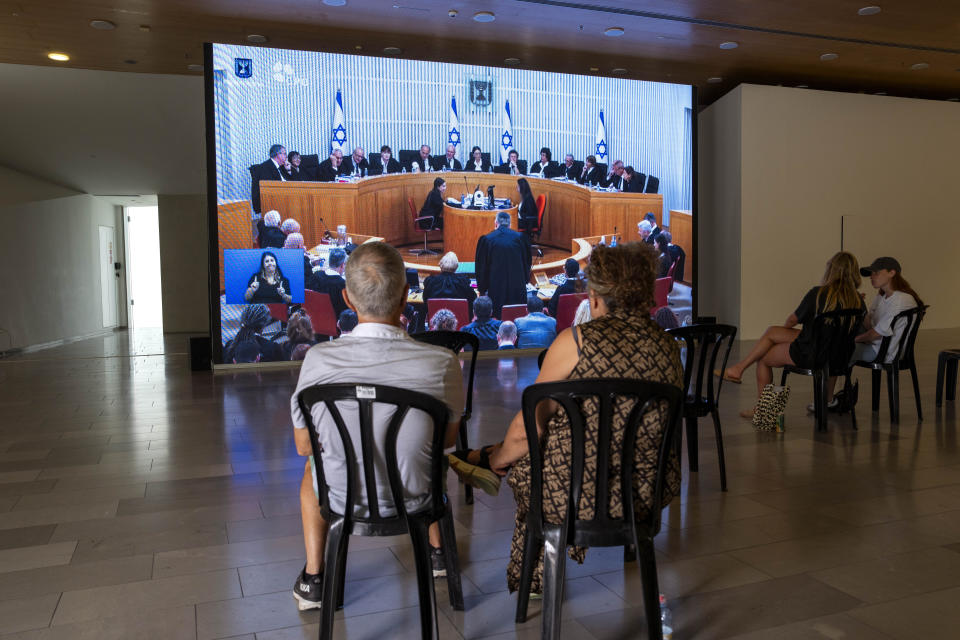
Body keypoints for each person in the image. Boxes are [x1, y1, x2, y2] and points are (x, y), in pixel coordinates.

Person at [447, 242, 682, 594]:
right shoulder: (667, 346)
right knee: (553, 442)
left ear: (596, 296)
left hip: (574, 495)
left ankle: (535, 575)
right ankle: (488, 457)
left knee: (533, 455)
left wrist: (500, 458)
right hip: (646, 492)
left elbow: (530, 428)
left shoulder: (576, 342)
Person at [289, 241, 464, 610]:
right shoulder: (443, 361)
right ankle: (436, 555)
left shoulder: (317, 360)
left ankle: (316, 578)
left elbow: (304, 447)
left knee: (310, 472)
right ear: (405, 297)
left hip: (341, 498)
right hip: (417, 498)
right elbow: (447, 439)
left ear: (347, 300)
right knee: (432, 459)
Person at [718, 252, 866, 416]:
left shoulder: (818, 293)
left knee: (764, 357)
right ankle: (827, 400)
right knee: (773, 332)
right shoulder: (859, 301)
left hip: (812, 354)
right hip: (840, 358)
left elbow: (792, 320)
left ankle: (765, 411)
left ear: (831, 270)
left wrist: (784, 335)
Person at [853, 257, 922, 364]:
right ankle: (844, 379)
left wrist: (852, 340)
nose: (871, 277)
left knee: (839, 350)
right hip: (876, 346)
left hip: (884, 353)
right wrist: (859, 305)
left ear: (892, 273)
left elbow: (875, 334)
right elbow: (869, 327)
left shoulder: (901, 299)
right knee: (837, 347)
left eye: (876, 273)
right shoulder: (881, 297)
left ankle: (832, 379)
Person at [476, 211, 532, 318]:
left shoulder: (487, 240)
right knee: (517, 316)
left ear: (496, 223)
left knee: (498, 317)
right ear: (510, 225)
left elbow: (481, 267)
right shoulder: (521, 238)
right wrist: (525, 279)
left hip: (496, 289)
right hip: (517, 287)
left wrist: (482, 289)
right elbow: (527, 262)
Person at [423, 252, 477, 317]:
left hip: (436, 322)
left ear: (440, 265)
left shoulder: (431, 282)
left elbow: (425, 302)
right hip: (460, 322)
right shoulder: (463, 282)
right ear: (456, 266)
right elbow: (473, 298)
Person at [306, 247, 348, 317]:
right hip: (335, 323)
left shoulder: (316, 275)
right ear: (342, 265)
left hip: (313, 319)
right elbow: (345, 311)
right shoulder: (342, 285)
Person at [251, 144, 289, 213]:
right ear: (278, 154)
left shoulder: (281, 167)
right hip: (273, 203)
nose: (286, 157)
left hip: (283, 199)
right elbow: (270, 189)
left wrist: (288, 170)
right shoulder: (265, 168)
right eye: (284, 154)